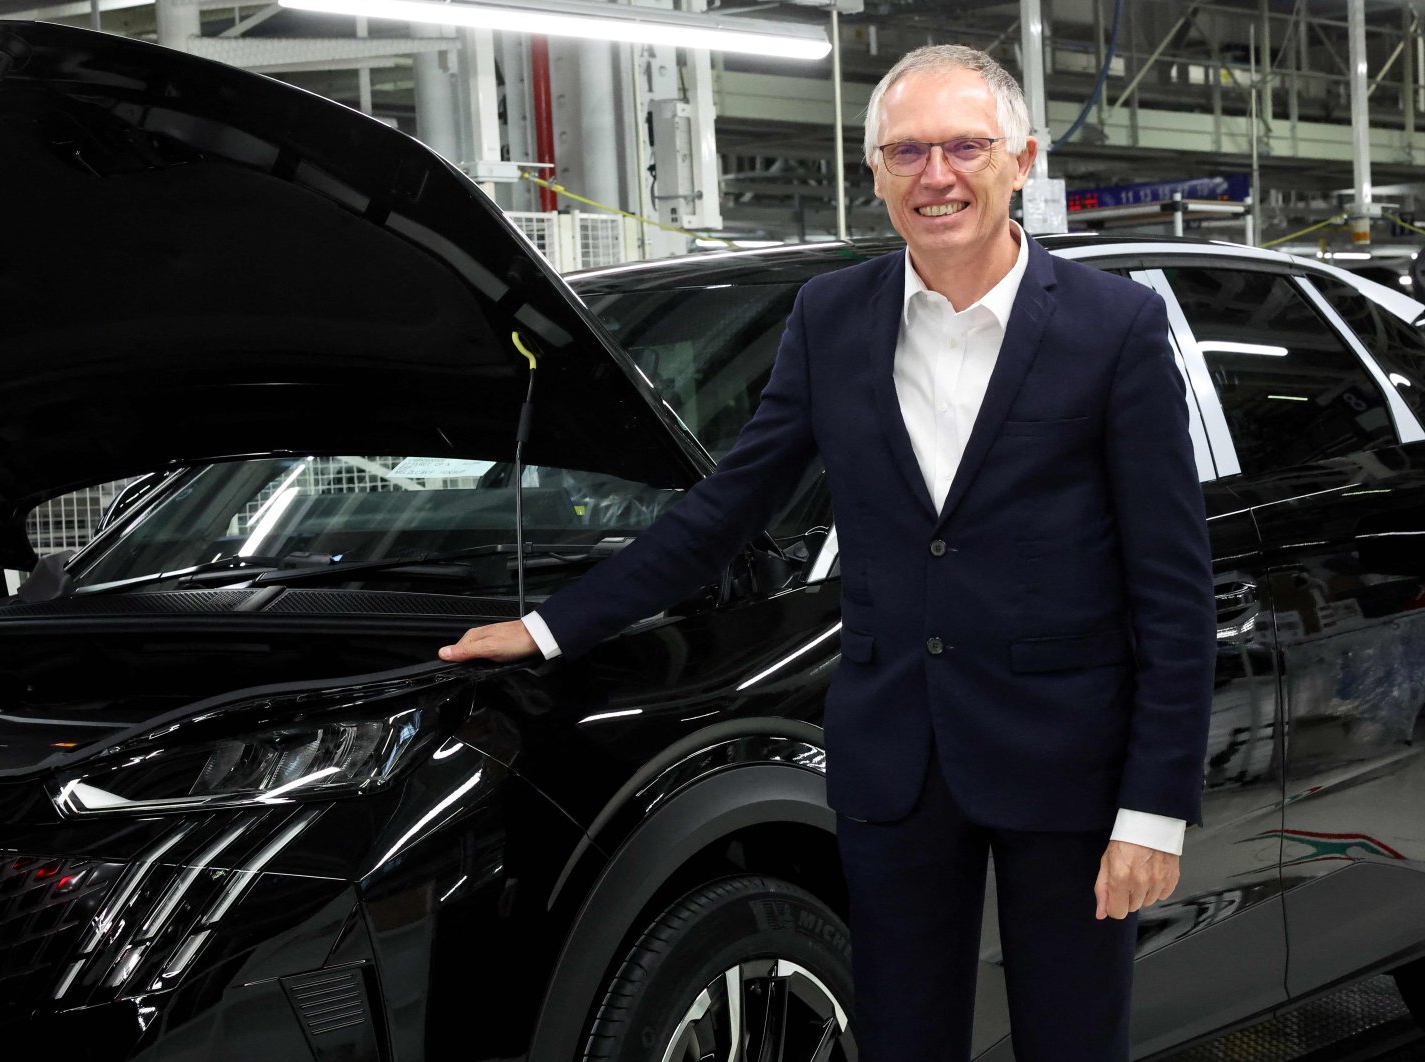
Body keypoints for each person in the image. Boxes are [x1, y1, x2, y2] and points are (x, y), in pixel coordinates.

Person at [439, 44, 1215, 1062]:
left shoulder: (1114, 328)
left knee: (1072, 1041)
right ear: (876, 172)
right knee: (900, 1039)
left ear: (1021, 158)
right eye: (905, 152)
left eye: (963, 146)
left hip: (1064, 758)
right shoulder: (832, 317)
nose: (934, 175)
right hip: (892, 761)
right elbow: (727, 506)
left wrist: (1153, 809)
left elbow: (1171, 587)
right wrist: (548, 627)